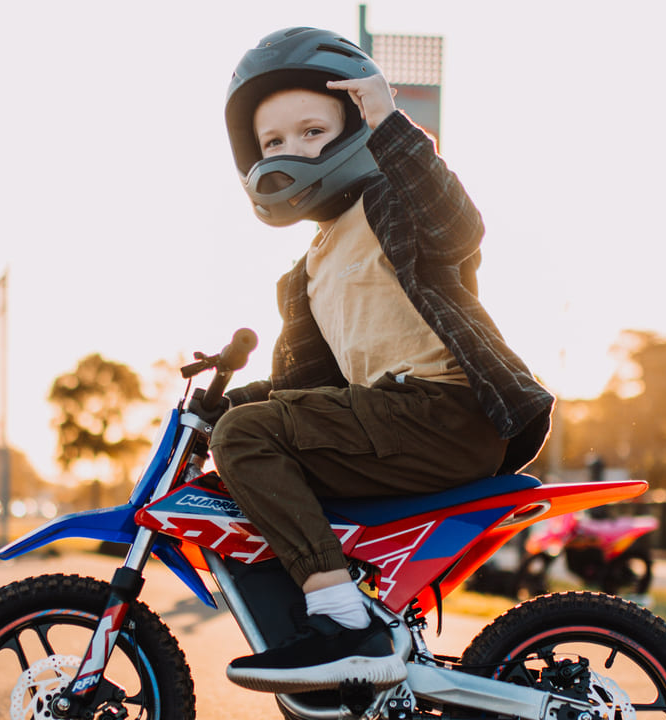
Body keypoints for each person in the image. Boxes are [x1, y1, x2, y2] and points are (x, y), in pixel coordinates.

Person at [206, 26, 555, 694]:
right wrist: (227, 404)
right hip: (389, 423)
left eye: (311, 131)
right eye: (273, 142)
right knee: (252, 435)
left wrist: (393, 123)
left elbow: (456, 223)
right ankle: (368, 621)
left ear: (356, 127)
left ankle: (343, 627)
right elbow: (301, 394)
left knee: (246, 441)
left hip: (447, 413)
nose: (290, 152)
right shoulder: (305, 271)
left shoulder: (391, 201)